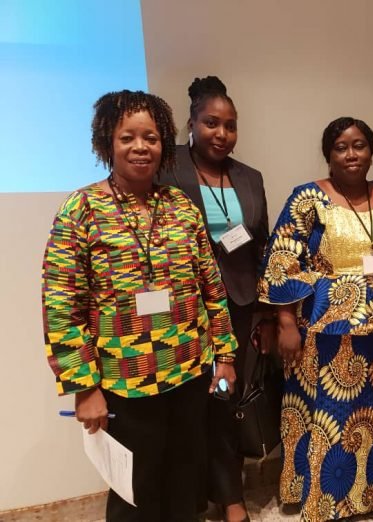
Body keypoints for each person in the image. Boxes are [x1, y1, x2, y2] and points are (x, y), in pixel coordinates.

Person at [41, 90, 238, 522]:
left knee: (185, 486)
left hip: (189, 374)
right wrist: (84, 387)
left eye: (150, 137)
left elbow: (211, 288)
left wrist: (224, 356)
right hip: (123, 383)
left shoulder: (181, 207)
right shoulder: (81, 209)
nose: (140, 147)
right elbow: (61, 305)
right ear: (106, 142)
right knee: (135, 494)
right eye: (127, 137)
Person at [258, 117, 373, 521]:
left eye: (359, 145)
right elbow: (281, 261)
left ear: (371, 151)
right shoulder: (308, 197)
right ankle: (322, 501)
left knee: (371, 412)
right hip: (321, 327)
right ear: (328, 155)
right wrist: (285, 324)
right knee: (327, 412)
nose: (351, 154)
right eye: (341, 147)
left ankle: (370, 495)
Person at [159, 76, 273, 522]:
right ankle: (188, 498)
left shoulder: (250, 178)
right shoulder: (166, 169)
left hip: (237, 308)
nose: (222, 134)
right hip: (181, 312)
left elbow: (261, 247)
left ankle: (230, 496)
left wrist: (266, 313)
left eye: (230, 125)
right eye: (211, 123)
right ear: (191, 124)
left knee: (225, 397)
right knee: (185, 404)